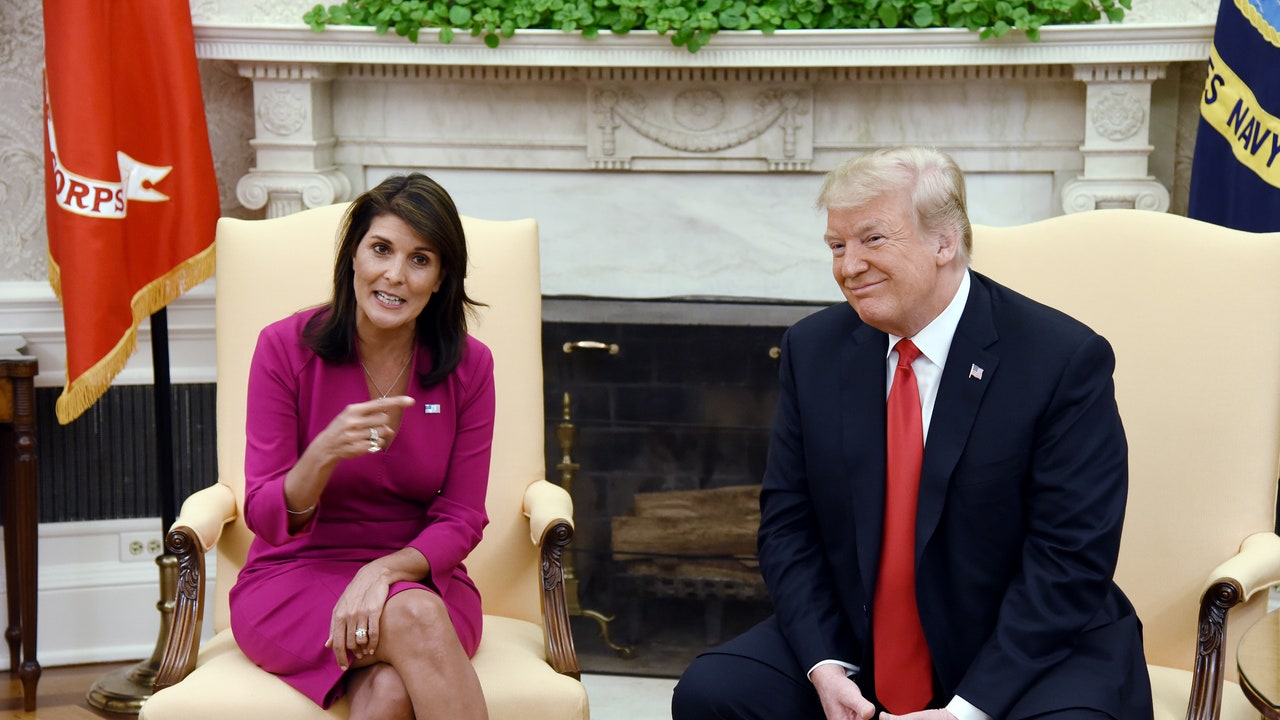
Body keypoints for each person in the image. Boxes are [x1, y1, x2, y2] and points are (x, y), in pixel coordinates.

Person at [671, 146, 1153, 720]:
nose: (848, 267)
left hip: (1024, 645)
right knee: (713, 692)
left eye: (873, 240)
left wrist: (966, 711)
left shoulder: (1062, 360)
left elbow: (1071, 558)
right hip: (859, 634)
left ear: (945, 241)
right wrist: (825, 664)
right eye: (836, 245)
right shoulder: (813, 349)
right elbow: (787, 525)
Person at [228, 173, 494, 720]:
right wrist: (321, 454)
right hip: (294, 579)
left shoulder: (470, 366)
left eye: (421, 259)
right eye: (381, 249)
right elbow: (263, 514)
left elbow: (462, 515)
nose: (395, 275)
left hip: (420, 576)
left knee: (391, 689)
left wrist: (384, 572)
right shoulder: (283, 349)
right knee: (416, 620)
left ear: (442, 278)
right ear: (353, 255)